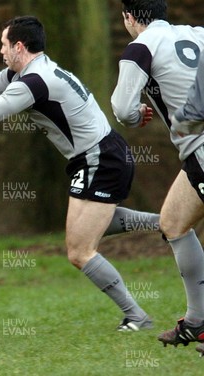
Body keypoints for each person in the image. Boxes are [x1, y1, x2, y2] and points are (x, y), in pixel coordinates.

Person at [0, 16, 158, 331]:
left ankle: (137, 317)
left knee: (79, 251)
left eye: (4, 45)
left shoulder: (33, 83)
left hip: (100, 160)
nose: (1, 51)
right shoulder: (30, 71)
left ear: (19, 46)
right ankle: (166, 223)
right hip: (100, 156)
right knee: (91, 227)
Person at [111, 0, 204, 352]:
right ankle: (197, 322)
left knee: (176, 224)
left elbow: (122, 108)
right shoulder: (196, 34)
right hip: (195, 153)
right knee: (174, 222)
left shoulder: (141, 47)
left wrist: (136, 116)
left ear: (129, 17)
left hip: (201, 147)